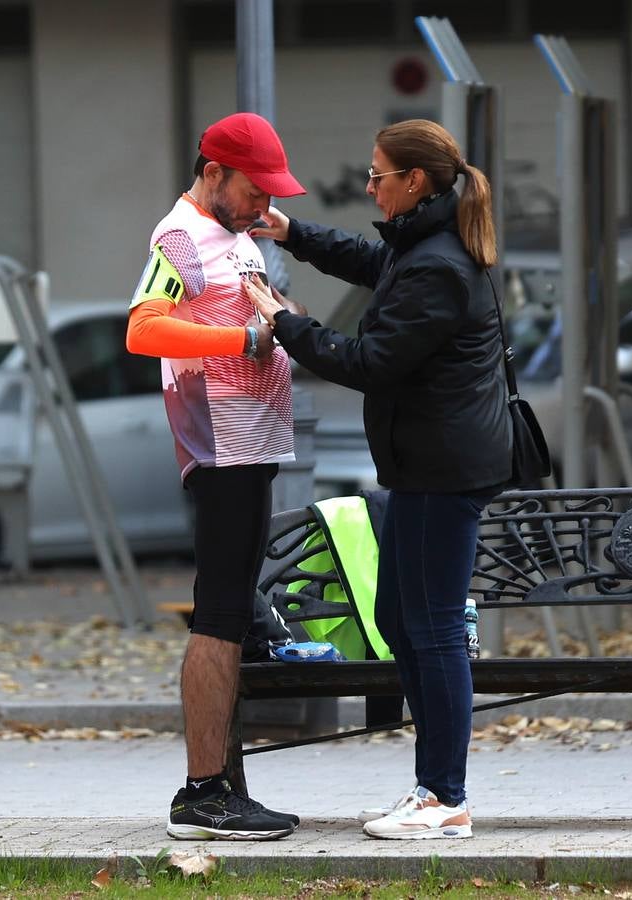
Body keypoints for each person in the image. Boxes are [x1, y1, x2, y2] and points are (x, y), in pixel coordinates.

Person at [244, 119, 512, 840]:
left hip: (442, 469)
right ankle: (432, 788)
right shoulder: (423, 245)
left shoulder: (436, 264)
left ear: (413, 182)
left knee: (431, 630)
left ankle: (443, 797)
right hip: (425, 465)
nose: (368, 187)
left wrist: (284, 322)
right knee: (399, 620)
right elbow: (371, 261)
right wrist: (289, 231)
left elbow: (369, 362)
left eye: (377, 176)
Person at [125, 112, 306, 841]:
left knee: (231, 619)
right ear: (213, 174)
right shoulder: (179, 236)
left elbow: (260, 316)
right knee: (219, 618)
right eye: (256, 191)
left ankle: (221, 788)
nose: (266, 206)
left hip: (250, 449)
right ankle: (201, 795)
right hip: (221, 454)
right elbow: (143, 327)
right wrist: (244, 336)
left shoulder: (234, 235)